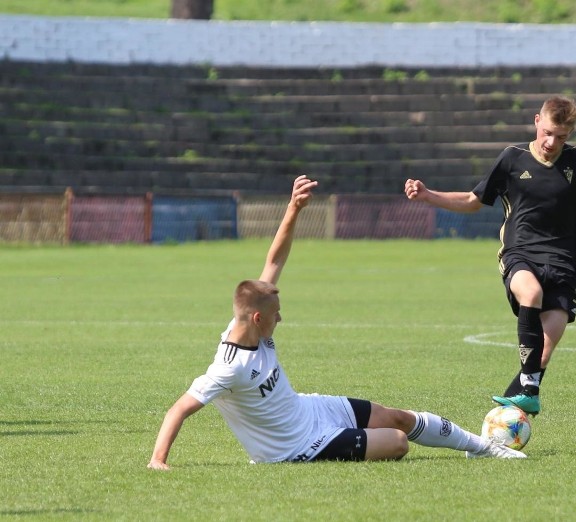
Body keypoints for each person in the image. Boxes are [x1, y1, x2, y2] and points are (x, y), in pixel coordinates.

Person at [148, 175, 525, 469]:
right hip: (297, 446)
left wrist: (294, 208)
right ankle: (350, 442)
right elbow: (178, 409)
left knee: (395, 416)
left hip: (309, 410)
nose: (282, 316)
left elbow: (273, 262)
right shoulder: (228, 369)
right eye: (277, 314)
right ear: (258, 317)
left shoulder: (252, 322)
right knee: (396, 442)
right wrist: (158, 460)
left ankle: (484, 449)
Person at [404, 96, 576, 416]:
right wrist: (428, 196)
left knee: (541, 357)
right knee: (531, 292)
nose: (552, 142)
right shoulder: (512, 158)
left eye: (561, 137)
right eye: (548, 132)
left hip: (566, 264)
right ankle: (522, 398)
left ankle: (510, 416)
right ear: (537, 121)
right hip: (521, 253)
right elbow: (472, 200)